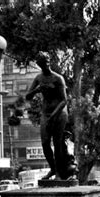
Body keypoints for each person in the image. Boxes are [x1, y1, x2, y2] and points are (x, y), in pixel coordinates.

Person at [26, 52, 76, 180]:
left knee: (57, 143)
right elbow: (28, 96)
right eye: (43, 63)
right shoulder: (38, 78)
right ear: (40, 65)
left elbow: (64, 100)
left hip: (60, 113)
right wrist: (37, 90)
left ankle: (60, 173)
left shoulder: (58, 78)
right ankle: (53, 169)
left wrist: (53, 115)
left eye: (47, 62)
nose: (46, 65)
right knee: (45, 143)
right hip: (46, 113)